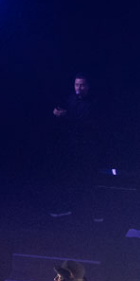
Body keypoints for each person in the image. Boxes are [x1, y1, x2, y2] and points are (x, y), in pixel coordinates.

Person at [50, 73, 99, 219]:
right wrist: (59, 114)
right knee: (69, 177)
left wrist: (66, 116)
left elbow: (85, 122)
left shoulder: (92, 102)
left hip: (87, 145)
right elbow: (68, 118)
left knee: (87, 179)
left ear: (87, 86)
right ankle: (68, 207)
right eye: (77, 85)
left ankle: (91, 211)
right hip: (71, 144)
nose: (79, 88)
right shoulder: (71, 99)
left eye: (82, 85)